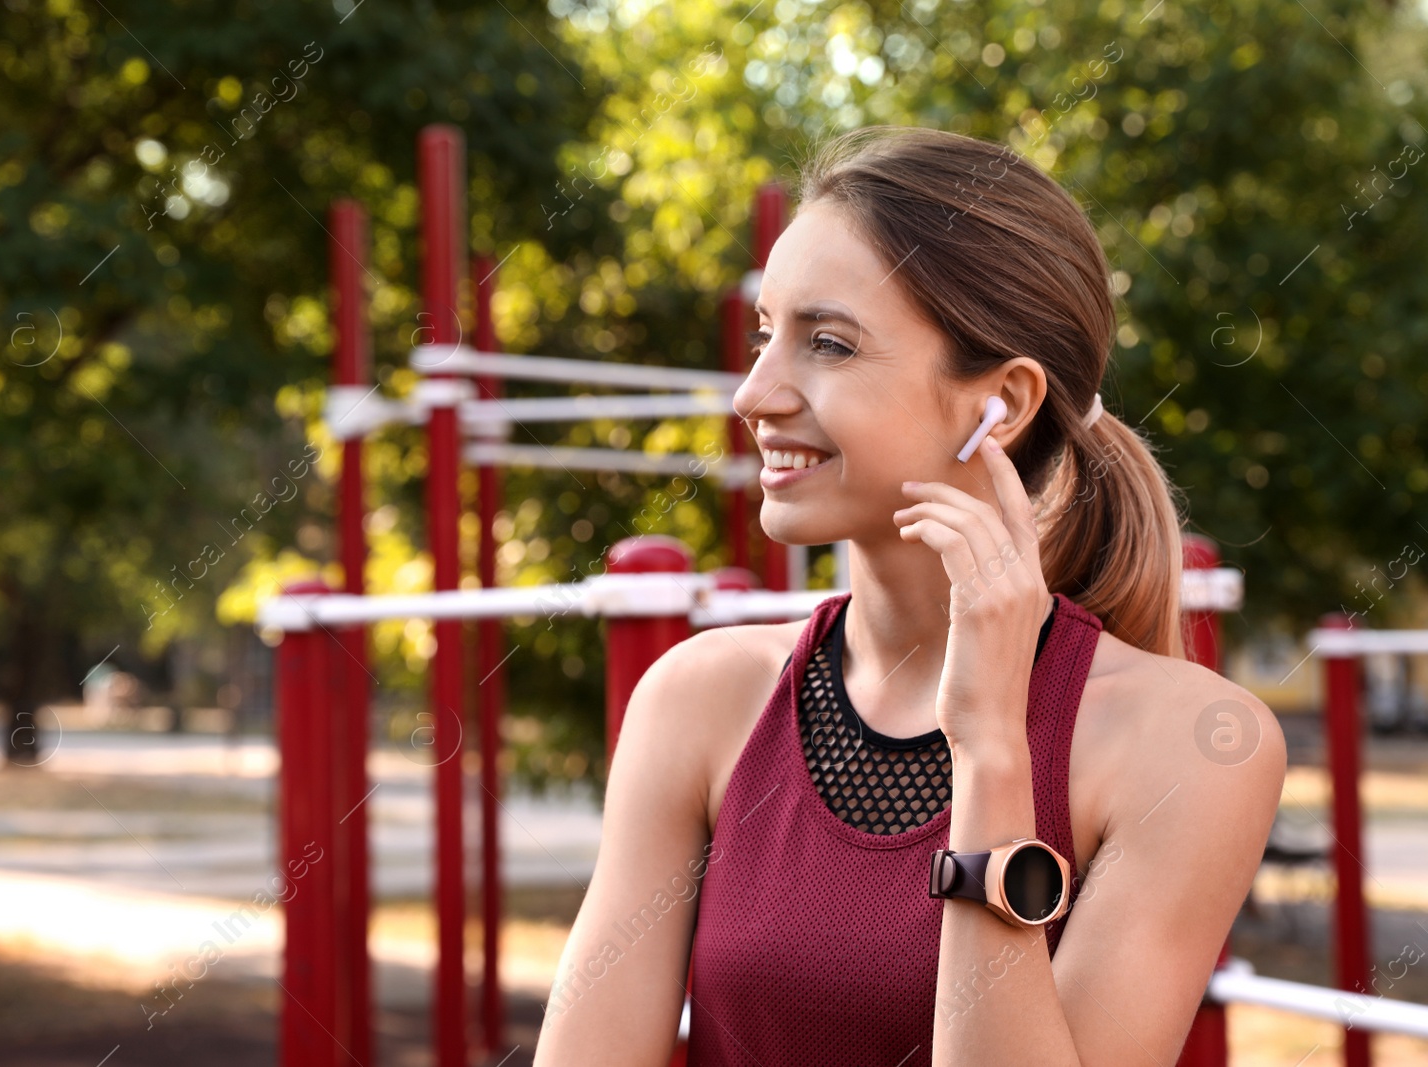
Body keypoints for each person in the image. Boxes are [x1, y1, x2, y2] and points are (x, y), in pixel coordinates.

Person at [533, 125, 1286, 1066]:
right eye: (767, 334)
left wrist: (991, 752)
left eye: (830, 344)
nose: (753, 394)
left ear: (1000, 405)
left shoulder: (1191, 745)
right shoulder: (700, 697)